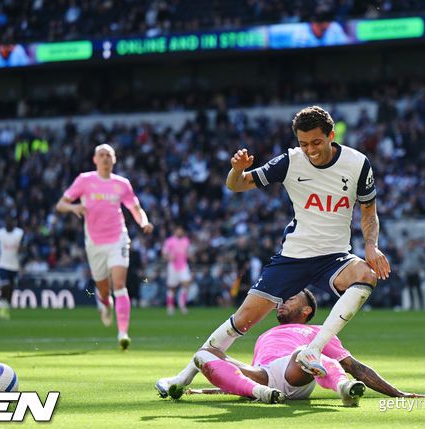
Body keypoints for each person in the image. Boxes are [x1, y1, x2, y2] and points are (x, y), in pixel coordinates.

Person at [157, 105, 391, 396]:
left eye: (316, 142)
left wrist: (371, 246)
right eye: (303, 144)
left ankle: (313, 350)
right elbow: (237, 185)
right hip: (293, 257)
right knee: (242, 319)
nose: (310, 150)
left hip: (334, 257)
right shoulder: (290, 161)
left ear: (331, 135)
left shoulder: (357, 163)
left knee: (366, 275)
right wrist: (236, 170)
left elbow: (369, 212)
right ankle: (182, 378)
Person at [177, 290, 425, 404]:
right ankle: (260, 393)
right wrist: (209, 391)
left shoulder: (319, 331)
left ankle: (344, 388)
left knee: (304, 353)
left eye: (290, 299)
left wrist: (397, 394)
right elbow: (237, 376)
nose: (281, 304)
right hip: (265, 377)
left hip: (297, 370)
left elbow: (354, 366)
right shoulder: (265, 334)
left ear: (306, 310)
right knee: (205, 353)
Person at [56, 144, 153, 350]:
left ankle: (123, 334)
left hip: (118, 238)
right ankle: (106, 304)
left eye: (109, 155)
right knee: (103, 288)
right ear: (95, 160)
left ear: (114, 159)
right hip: (94, 242)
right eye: (101, 155)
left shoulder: (122, 184)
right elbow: (61, 204)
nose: (105, 158)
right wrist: (74, 207)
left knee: (119, 284)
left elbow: (135, 208)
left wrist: (143, 222)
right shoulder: (84, 180)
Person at [0, 216, 24, 320]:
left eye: (10, 222)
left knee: (11, 288)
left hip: (14, 265)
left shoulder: (19, 233)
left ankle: (6, 307)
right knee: (6, 284)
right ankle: (3, 307)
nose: (9, 224)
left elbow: (22, 248)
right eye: (7, 222)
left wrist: (21, 250)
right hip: (3, 264)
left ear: (13, 223)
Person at [162, 226, 192, 315]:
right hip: (173, 266)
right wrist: (168, 257)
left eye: (181, 231)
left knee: (186, 283)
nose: (180, 232)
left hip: (183, 265)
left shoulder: (186, 240)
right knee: (172, 287)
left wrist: (190, 256)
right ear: (175, 231)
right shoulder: (169, 241)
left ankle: (182, 304)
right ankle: (170, 306)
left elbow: (187, 252)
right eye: (178, 230)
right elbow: (164, 253)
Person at [400, 239, 425, 310]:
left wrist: (422, 268)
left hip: (415, 272)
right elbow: (405, 262)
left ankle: (421, 305)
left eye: (411, 244)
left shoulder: (418, 252)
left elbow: (424, 260)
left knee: (418, 289)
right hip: (408, 273)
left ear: (414, 245)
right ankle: (412, 304)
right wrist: (403, 270)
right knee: (410, 290)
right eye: (409, 244)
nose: (410, 246)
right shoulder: (406, 252)